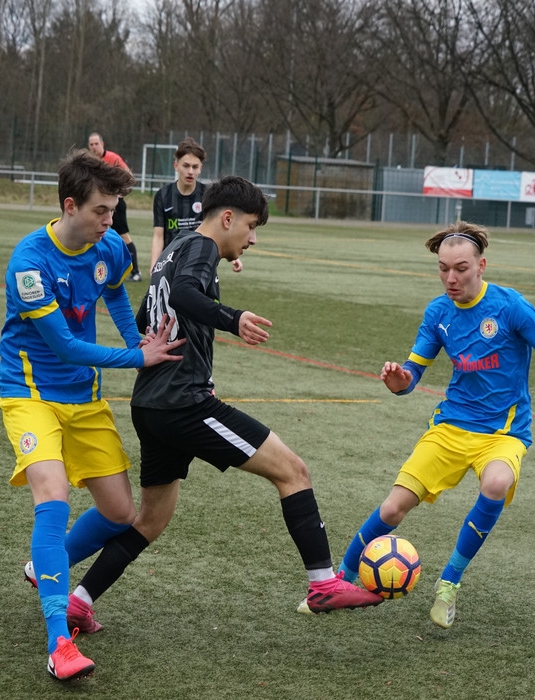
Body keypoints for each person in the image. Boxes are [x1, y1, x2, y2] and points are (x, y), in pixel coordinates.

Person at [63, 175, 384, 622]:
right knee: (293, 471)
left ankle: (79, 602)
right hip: (183, 403)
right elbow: (183, 294)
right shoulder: (201, 247)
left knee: (151, 520)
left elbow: (146, 315)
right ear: (227, 218)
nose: (252, 239)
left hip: (151, 403)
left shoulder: (174, 249)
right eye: (251, 226)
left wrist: (178, 355)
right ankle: (323, 584)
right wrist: (233, 319)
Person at [337, 221, 535, 630]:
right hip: (451, 427)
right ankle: (340, 580)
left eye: (461, 268)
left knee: (495, 483)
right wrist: (399, 381)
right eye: (443, 268)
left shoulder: (510, 306)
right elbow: (412, 375)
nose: (451, 278)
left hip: (503, 433)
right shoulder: (438, 312)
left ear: (481, 266)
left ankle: (449, 583)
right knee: (393, 507)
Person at [0, 149, 184, 681]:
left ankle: (43, 567)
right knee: (53, 499)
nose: (110, 221)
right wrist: (138, 359)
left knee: (120, 513)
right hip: (31, 394)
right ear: (70, 205)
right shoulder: (30, 262)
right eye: (101, 210)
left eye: (114, 210)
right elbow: (64, 345)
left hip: (85, 399)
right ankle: (59, 642)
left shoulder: (109, 247)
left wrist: (136, 340)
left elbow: (115, 294)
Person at [150, 137, 242, 273]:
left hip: (201, 260)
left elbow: (220, 227)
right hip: (171, 262)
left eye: (195, 167)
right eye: (186, 166)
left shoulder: (208, 194)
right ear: (176, 166)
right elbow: (158, 236)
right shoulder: (163, 195)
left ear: (200, 168)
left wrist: (233, 255)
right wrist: (154, 265)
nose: (190, 171)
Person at [88, 132, 142, 281]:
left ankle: (136, 272)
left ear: (102, 144)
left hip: (115, 205)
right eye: (91, 144)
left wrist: (118, 194)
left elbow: (129, 177)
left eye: (96, 144)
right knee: (95, 235)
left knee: (123, 236)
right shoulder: (90, 162)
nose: (94, 147)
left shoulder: (112, 158)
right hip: (98, 205)